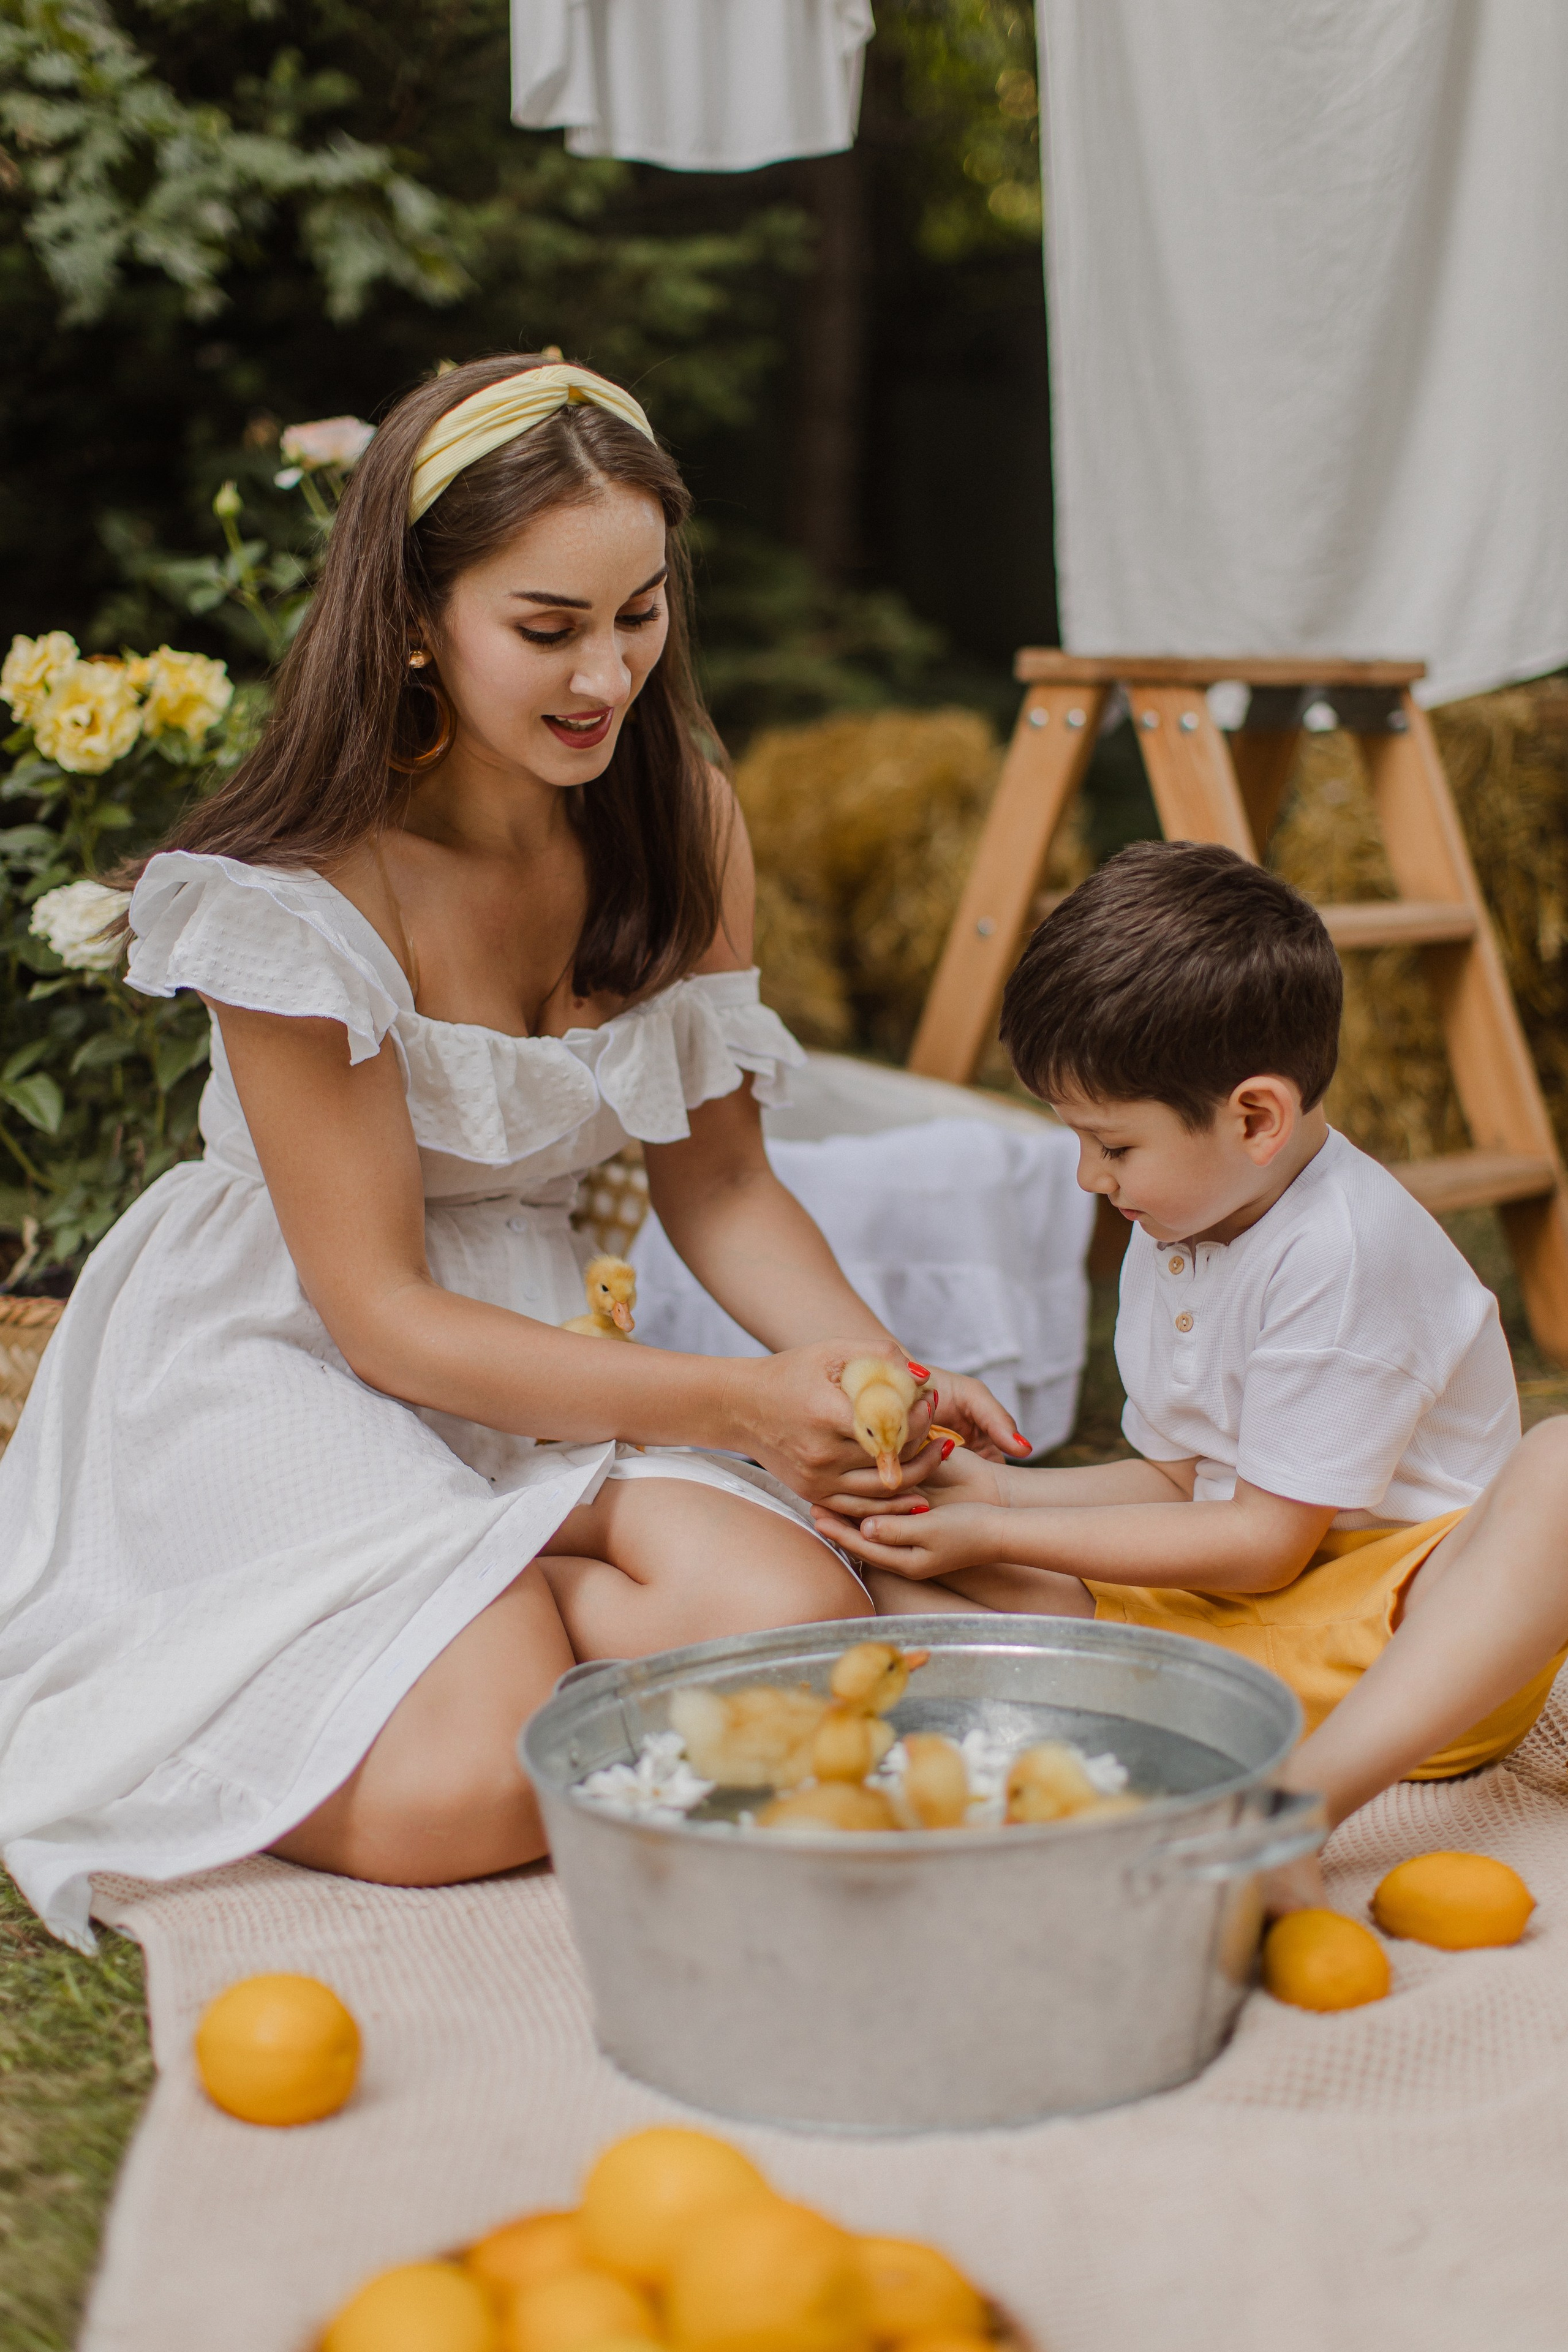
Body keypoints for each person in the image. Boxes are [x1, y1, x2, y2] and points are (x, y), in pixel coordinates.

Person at [0, 353, 1025, 1951]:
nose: (606, 675)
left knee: (803, 1632)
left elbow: (724, 1187)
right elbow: (382, 1318)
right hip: (289, 1349)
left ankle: (490, 1607)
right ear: (415, 616)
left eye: (640, 615)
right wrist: (740, 1410)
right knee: (469, 1792)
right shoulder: (300, 892)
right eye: (548, 630)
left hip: (523, 1348)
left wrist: (864, 1379)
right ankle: (264, 1645)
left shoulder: (679, 820)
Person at [818, 842, 1568, 1886]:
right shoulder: (1186, 1215)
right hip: (1222, 1618)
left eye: (1113, 1146)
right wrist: (992, 1496)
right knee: (877, 1574)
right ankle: (1152, 1735)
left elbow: (1265, 1544)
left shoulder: (1339, 1252)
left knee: (1562, 1471)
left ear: (1254, 1117)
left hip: (1400, 1644)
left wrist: (998, 1526)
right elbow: (1182, 1482)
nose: (1088, 1177)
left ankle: (1298, 1804)